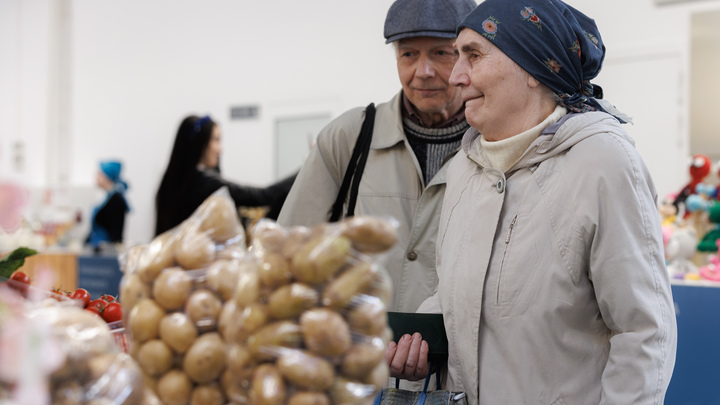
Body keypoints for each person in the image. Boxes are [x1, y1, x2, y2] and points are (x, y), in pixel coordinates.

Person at [387, 0, 678, 403]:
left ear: (532, 67)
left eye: (472, 55)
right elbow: (461, 291)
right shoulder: (465, 169)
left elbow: (645, 333)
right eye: (457, 57)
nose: (455, 76)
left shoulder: (602, 163)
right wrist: (421, 342)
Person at [278, 0, 476, 314]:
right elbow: (287, 252)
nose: (422, 72)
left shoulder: (495, 143)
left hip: (460, 360)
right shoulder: (350, 138)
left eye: (441, 53)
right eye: (408, 54)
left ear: (471, 57)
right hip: (360, 351)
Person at [155, 115, 295, 236]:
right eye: (216, 140)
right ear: (199, 143)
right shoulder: (204, 183)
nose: (220, 149)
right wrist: (306, 169)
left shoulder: (174, 182)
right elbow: (263, 196)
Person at [86, 160, 130, 247]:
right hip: (98, 249)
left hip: (105, 252)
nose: (96, 177)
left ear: (106, 177)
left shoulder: (116, 201)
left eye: (99, 174)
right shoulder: (108, 197)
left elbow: (116, 235)